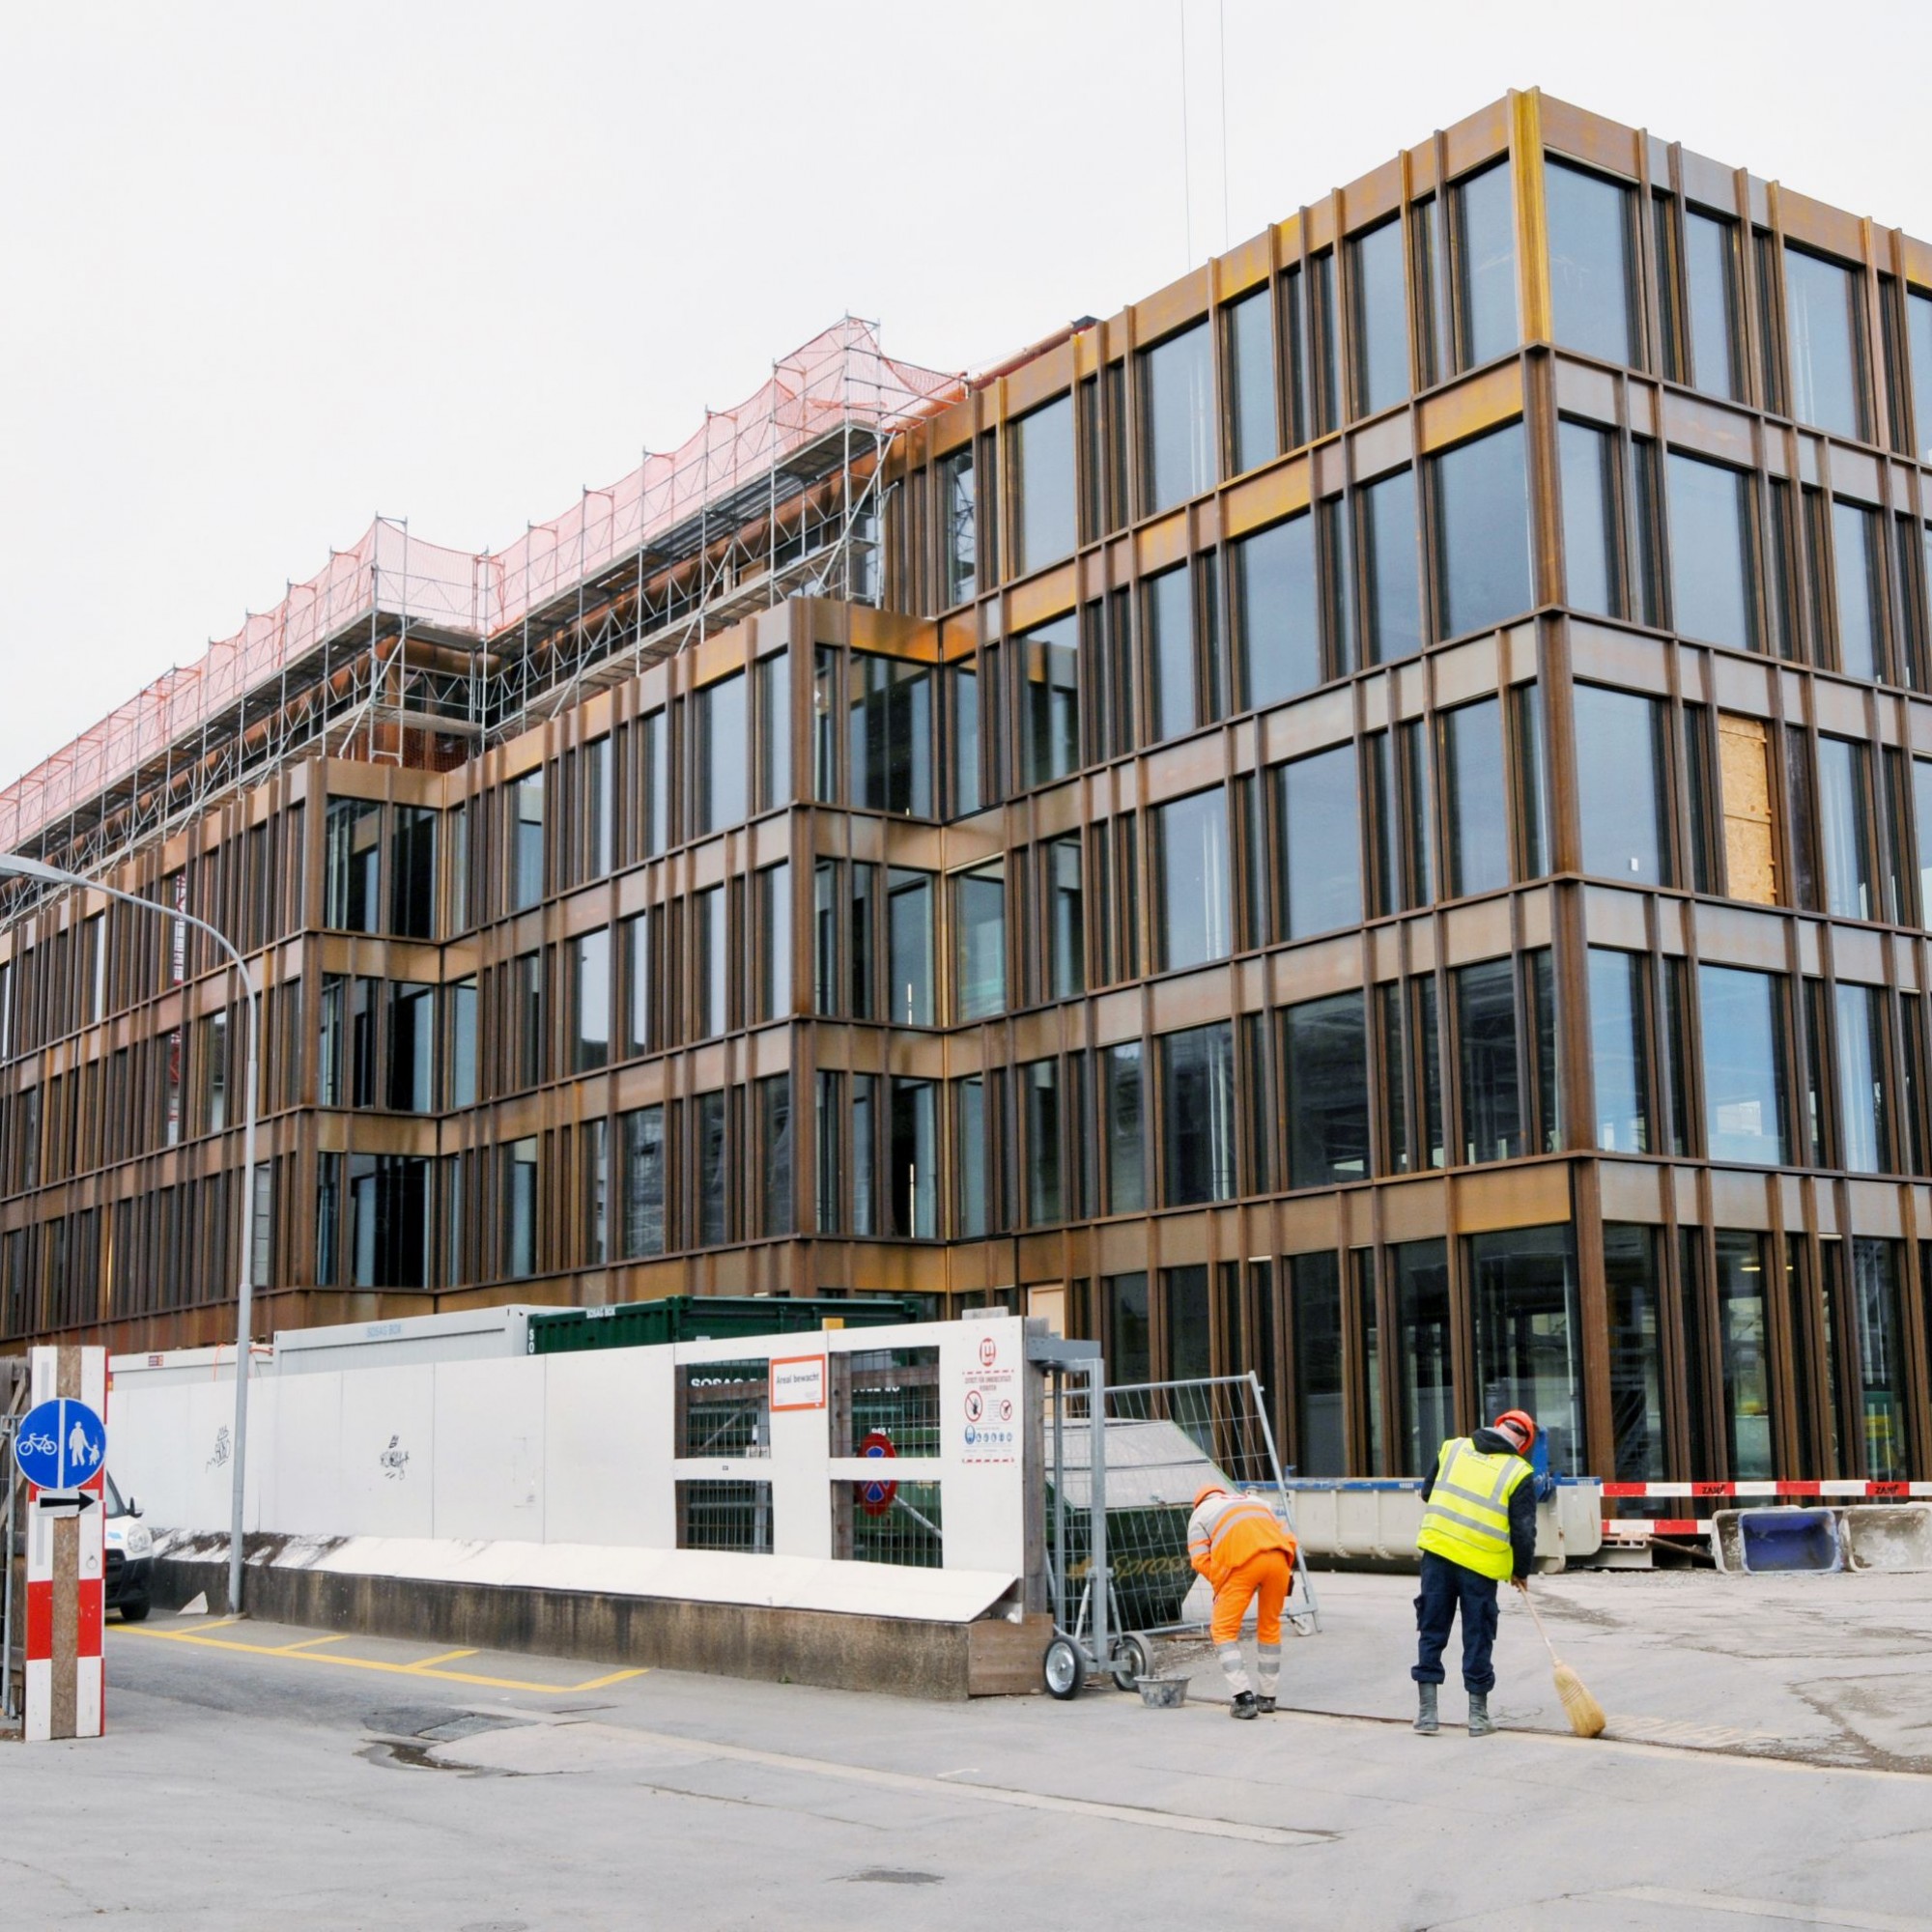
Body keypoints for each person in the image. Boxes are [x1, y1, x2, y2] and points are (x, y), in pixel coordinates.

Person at [1411, 1409, 1538, 1738]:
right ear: (1522, 1444)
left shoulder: (1452, 1448)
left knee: (1432, 1628)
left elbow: (1428, 1492)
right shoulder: (1518, 1471)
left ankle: (1427, 1715)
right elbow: (1523, 1529)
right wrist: (1521, 1571)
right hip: (1479, 1568)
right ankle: (1478, 1719)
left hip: (1437, 1555)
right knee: (1478, 1635)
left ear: (1497, 1426)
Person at [1186, 1481, 1298, 1719]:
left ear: (1198, 1502)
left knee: (1224, 1630)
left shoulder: (1200, 1514)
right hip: (1278, 1561)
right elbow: (1289, 1536)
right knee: (1270, 1626)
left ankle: (1243, 1698)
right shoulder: (1257, 1501)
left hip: (1240, 1566)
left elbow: (1199, 1560)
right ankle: (1267, 1698)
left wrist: (1221, 1580)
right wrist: (1283, 1567)